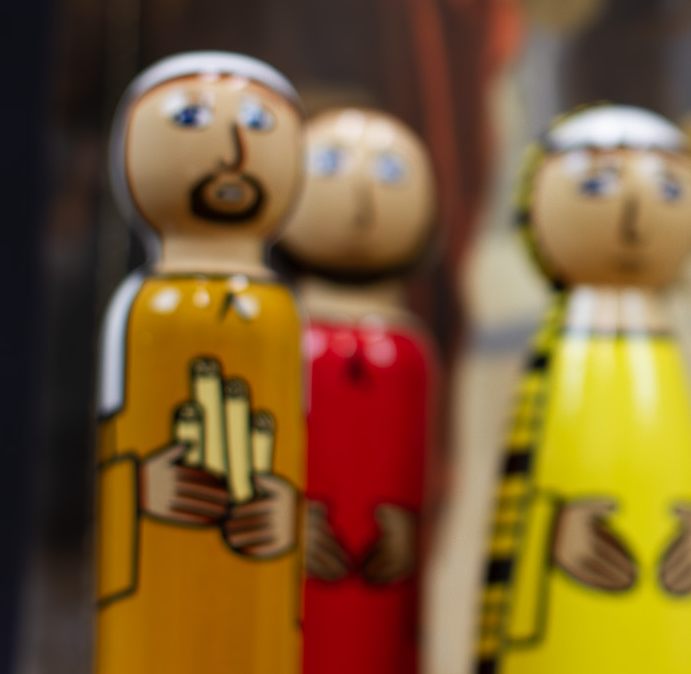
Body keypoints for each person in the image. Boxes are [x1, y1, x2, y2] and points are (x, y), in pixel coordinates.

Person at [475, 106, 691, 674]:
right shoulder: (565, 356)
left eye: (667, 188)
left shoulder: (654, 358)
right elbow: (531, 487)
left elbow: (681, 476)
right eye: (595, 185)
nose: (635, 214)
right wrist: (553, 530)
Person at [96, 52, 306, 674]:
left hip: (257, 620)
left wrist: (286, 515)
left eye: (258, 123)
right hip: (153, 619)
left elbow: (301, 449)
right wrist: (140, 489)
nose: (234, 148)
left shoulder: (279, 315)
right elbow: (110, 449)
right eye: (190, 118)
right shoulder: (144, 307)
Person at [280, 109, 439, 674]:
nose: (362, 189)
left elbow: (425, 464)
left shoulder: (410, 352)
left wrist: (412, 528)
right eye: (329, 164)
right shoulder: (284, 339)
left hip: (387, 587)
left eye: (390, 172)